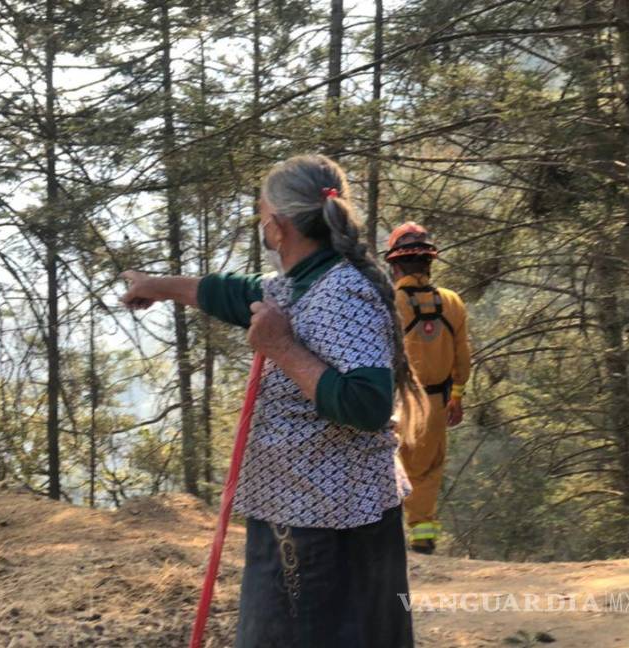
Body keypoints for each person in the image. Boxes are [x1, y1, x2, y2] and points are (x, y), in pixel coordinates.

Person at [120, 154, 423, 648]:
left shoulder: (341, 292)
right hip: (310, 511)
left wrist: (282, 349)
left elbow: (368, 404)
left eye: (262, 214)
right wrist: (159, 286)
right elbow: (240, 295)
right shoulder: (306, 280)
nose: (261, 223)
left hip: (323, 524)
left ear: (278, 227)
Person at [384, 222, 471, 554]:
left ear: (394, 265)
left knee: (382, 464)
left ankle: (381, 538)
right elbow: (462, 357)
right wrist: (457, 396)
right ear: (429, 263)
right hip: (434, 402)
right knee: (426, 469)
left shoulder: (390, 301)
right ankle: (422, 540)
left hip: (391, 401)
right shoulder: (451, 302)